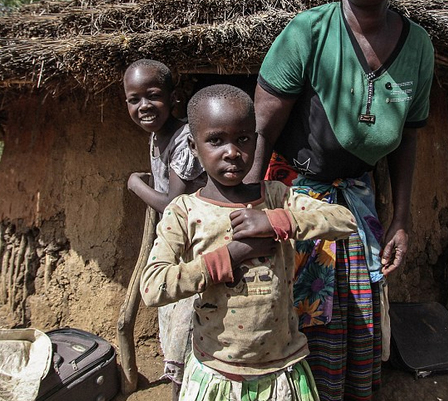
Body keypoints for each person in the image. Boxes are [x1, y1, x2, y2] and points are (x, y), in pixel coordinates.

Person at [249, 0, 435, 401]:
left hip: (357, 206)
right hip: (295, 200)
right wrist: (249, 218)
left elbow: (408, 138)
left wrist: (400, 217)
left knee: (355, 323)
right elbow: (260, 136)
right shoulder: (306, 33)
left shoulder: (418, 47)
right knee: (292, 320)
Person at [140, 84, 357, 401]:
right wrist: (231, 255)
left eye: (243, 139)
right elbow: (153, 286)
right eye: (215, 140)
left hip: (282, 370)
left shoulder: (276, 197)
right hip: (218, 372)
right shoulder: (185, 212)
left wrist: (276, 221)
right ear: (193, 145)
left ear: (256, 141)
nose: (231, 151)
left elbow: (344, 220)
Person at [123, 59, 206, 399]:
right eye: (134, 99)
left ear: (175, 97)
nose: (144, 106)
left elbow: (175, 203)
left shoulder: (185, 139)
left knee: (189, 335)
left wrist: (135, 185)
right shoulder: (158, 137)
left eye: (153, 96)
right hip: (175, 249)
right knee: (176, 331)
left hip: (196, 250)